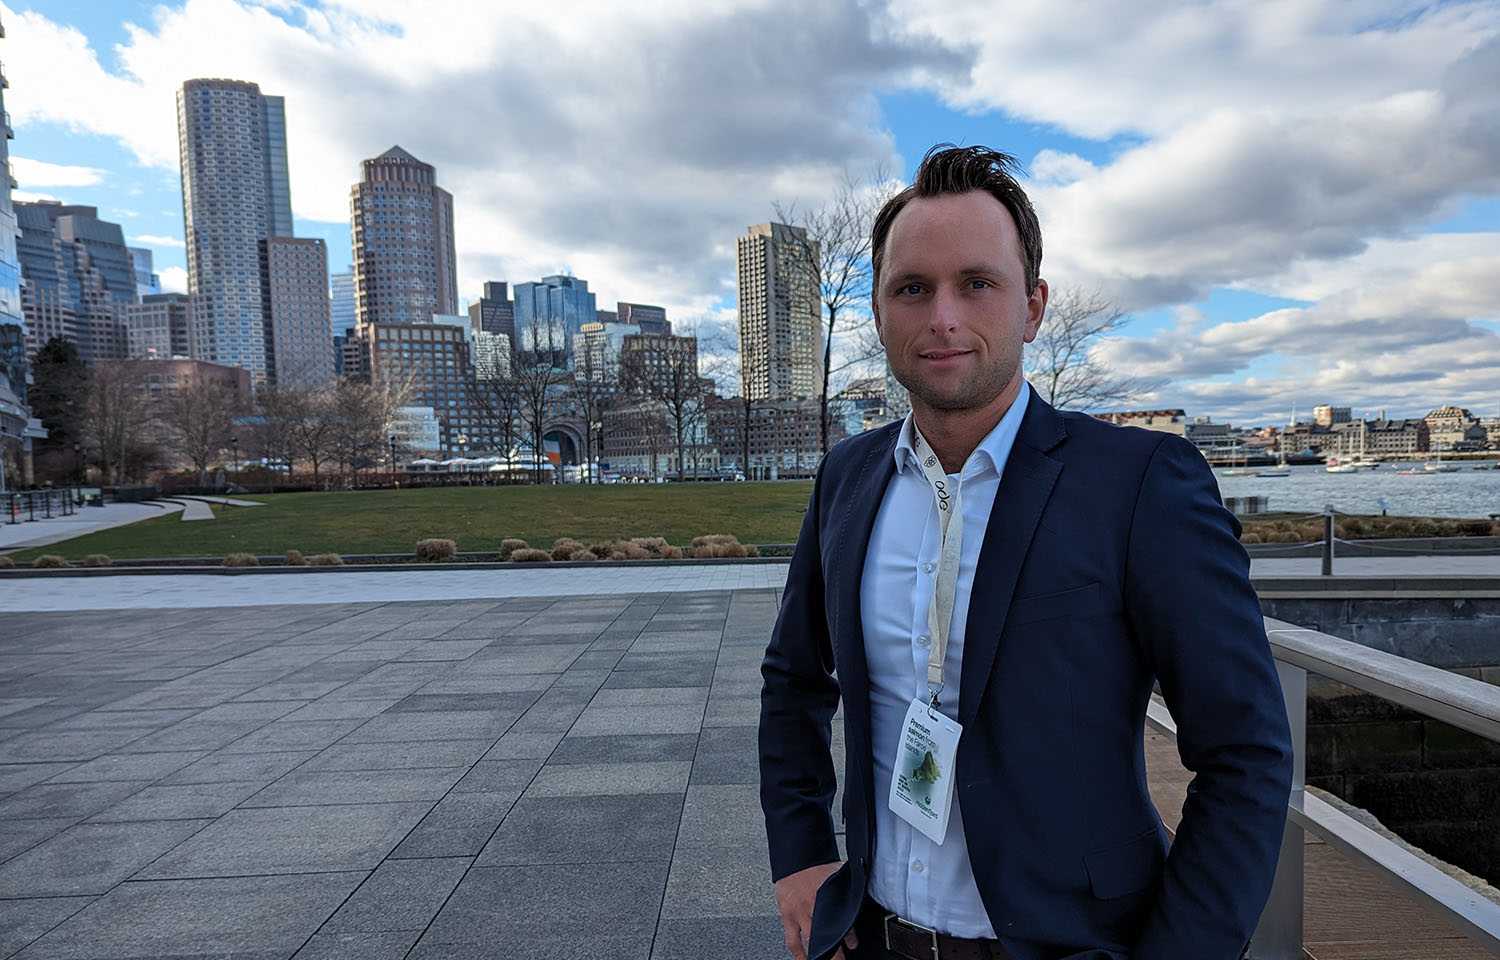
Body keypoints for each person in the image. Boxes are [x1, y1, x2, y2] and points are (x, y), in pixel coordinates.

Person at [758, 145, 1294, 960]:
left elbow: (1246, 754)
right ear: (877, 311)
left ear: (1033, 307)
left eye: (977, 283)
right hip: (873, 938)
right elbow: (795, 679)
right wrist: (800, 851)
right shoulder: (848, 476)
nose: (943, 316)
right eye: (912, 288)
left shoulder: (1139, 484)